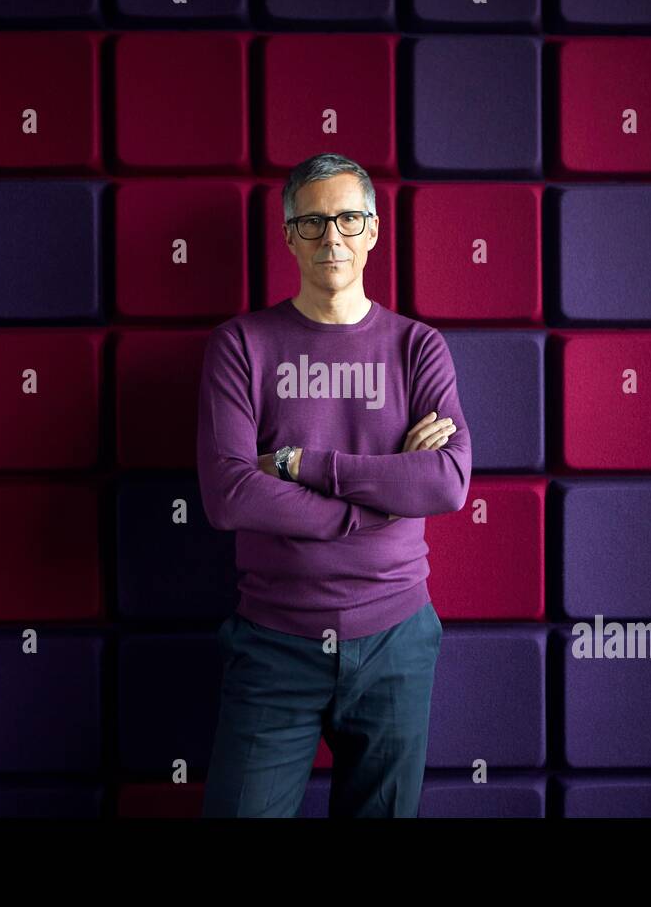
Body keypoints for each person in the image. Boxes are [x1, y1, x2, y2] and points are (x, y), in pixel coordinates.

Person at [196, 151, 472, 817]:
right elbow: (229, 494)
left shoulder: (418, 348)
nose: (333, 237)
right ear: (289, 235)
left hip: (397, 641)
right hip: (274, 642)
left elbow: (446, 481)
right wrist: (377, 507)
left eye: (350, 218)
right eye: (313, 222)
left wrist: (299, 465)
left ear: (373, 230)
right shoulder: (242, 345)